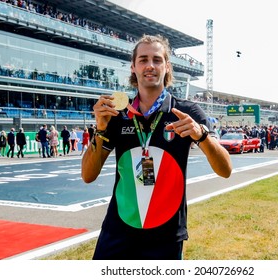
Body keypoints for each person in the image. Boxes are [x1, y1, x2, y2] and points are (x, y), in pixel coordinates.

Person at [81, 34, 232, 260]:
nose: (150, 66)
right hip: (118, 231)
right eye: (143, 59)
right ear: (133, 67)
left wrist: (201, 136)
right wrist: (100, 129)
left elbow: (226, 170)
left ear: (167, 66)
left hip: (166, 236)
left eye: (157, 59)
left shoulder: (186, 111)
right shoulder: (117, 114)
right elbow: (88, 175)